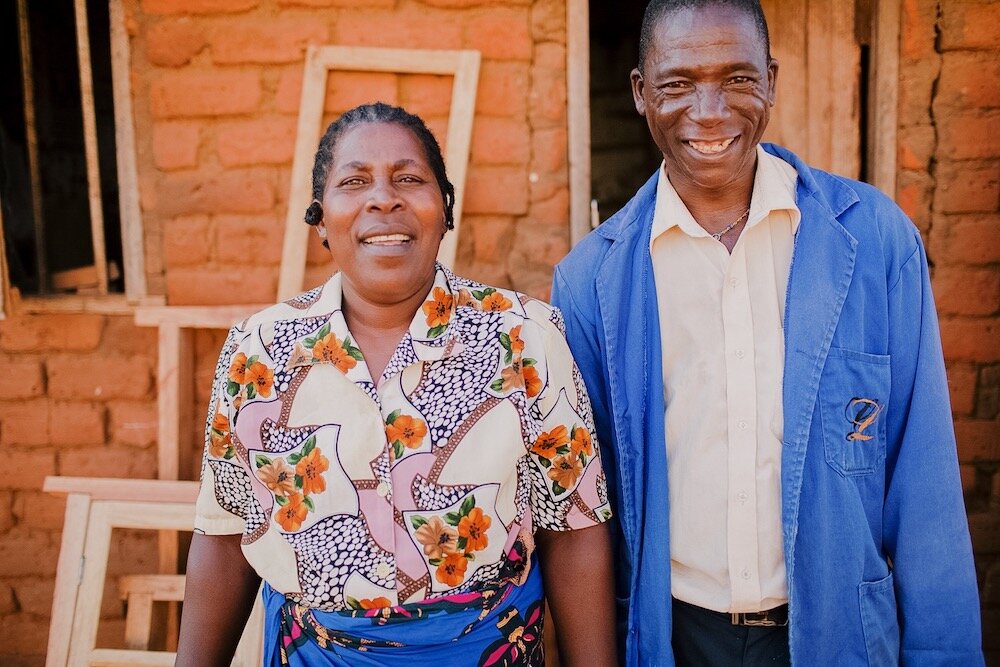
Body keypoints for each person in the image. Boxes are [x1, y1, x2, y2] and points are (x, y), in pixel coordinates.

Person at [552, 1, 983, 665]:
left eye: (737, 79)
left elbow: (922, 490)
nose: (710, 109)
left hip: (841, 633)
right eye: (677, 84)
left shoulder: (873, 241)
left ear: (772, 81)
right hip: (675, 637)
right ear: (640, 93)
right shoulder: (592, 282)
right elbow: (588, 515)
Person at [176, 102, 616, 666]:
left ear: (446, 210)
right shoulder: (258, 352)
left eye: (409, 179)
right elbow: (225, 533)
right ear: (320, 221)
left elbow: (574, 530)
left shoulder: (524, 339)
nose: (384, 198)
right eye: (354, 182)